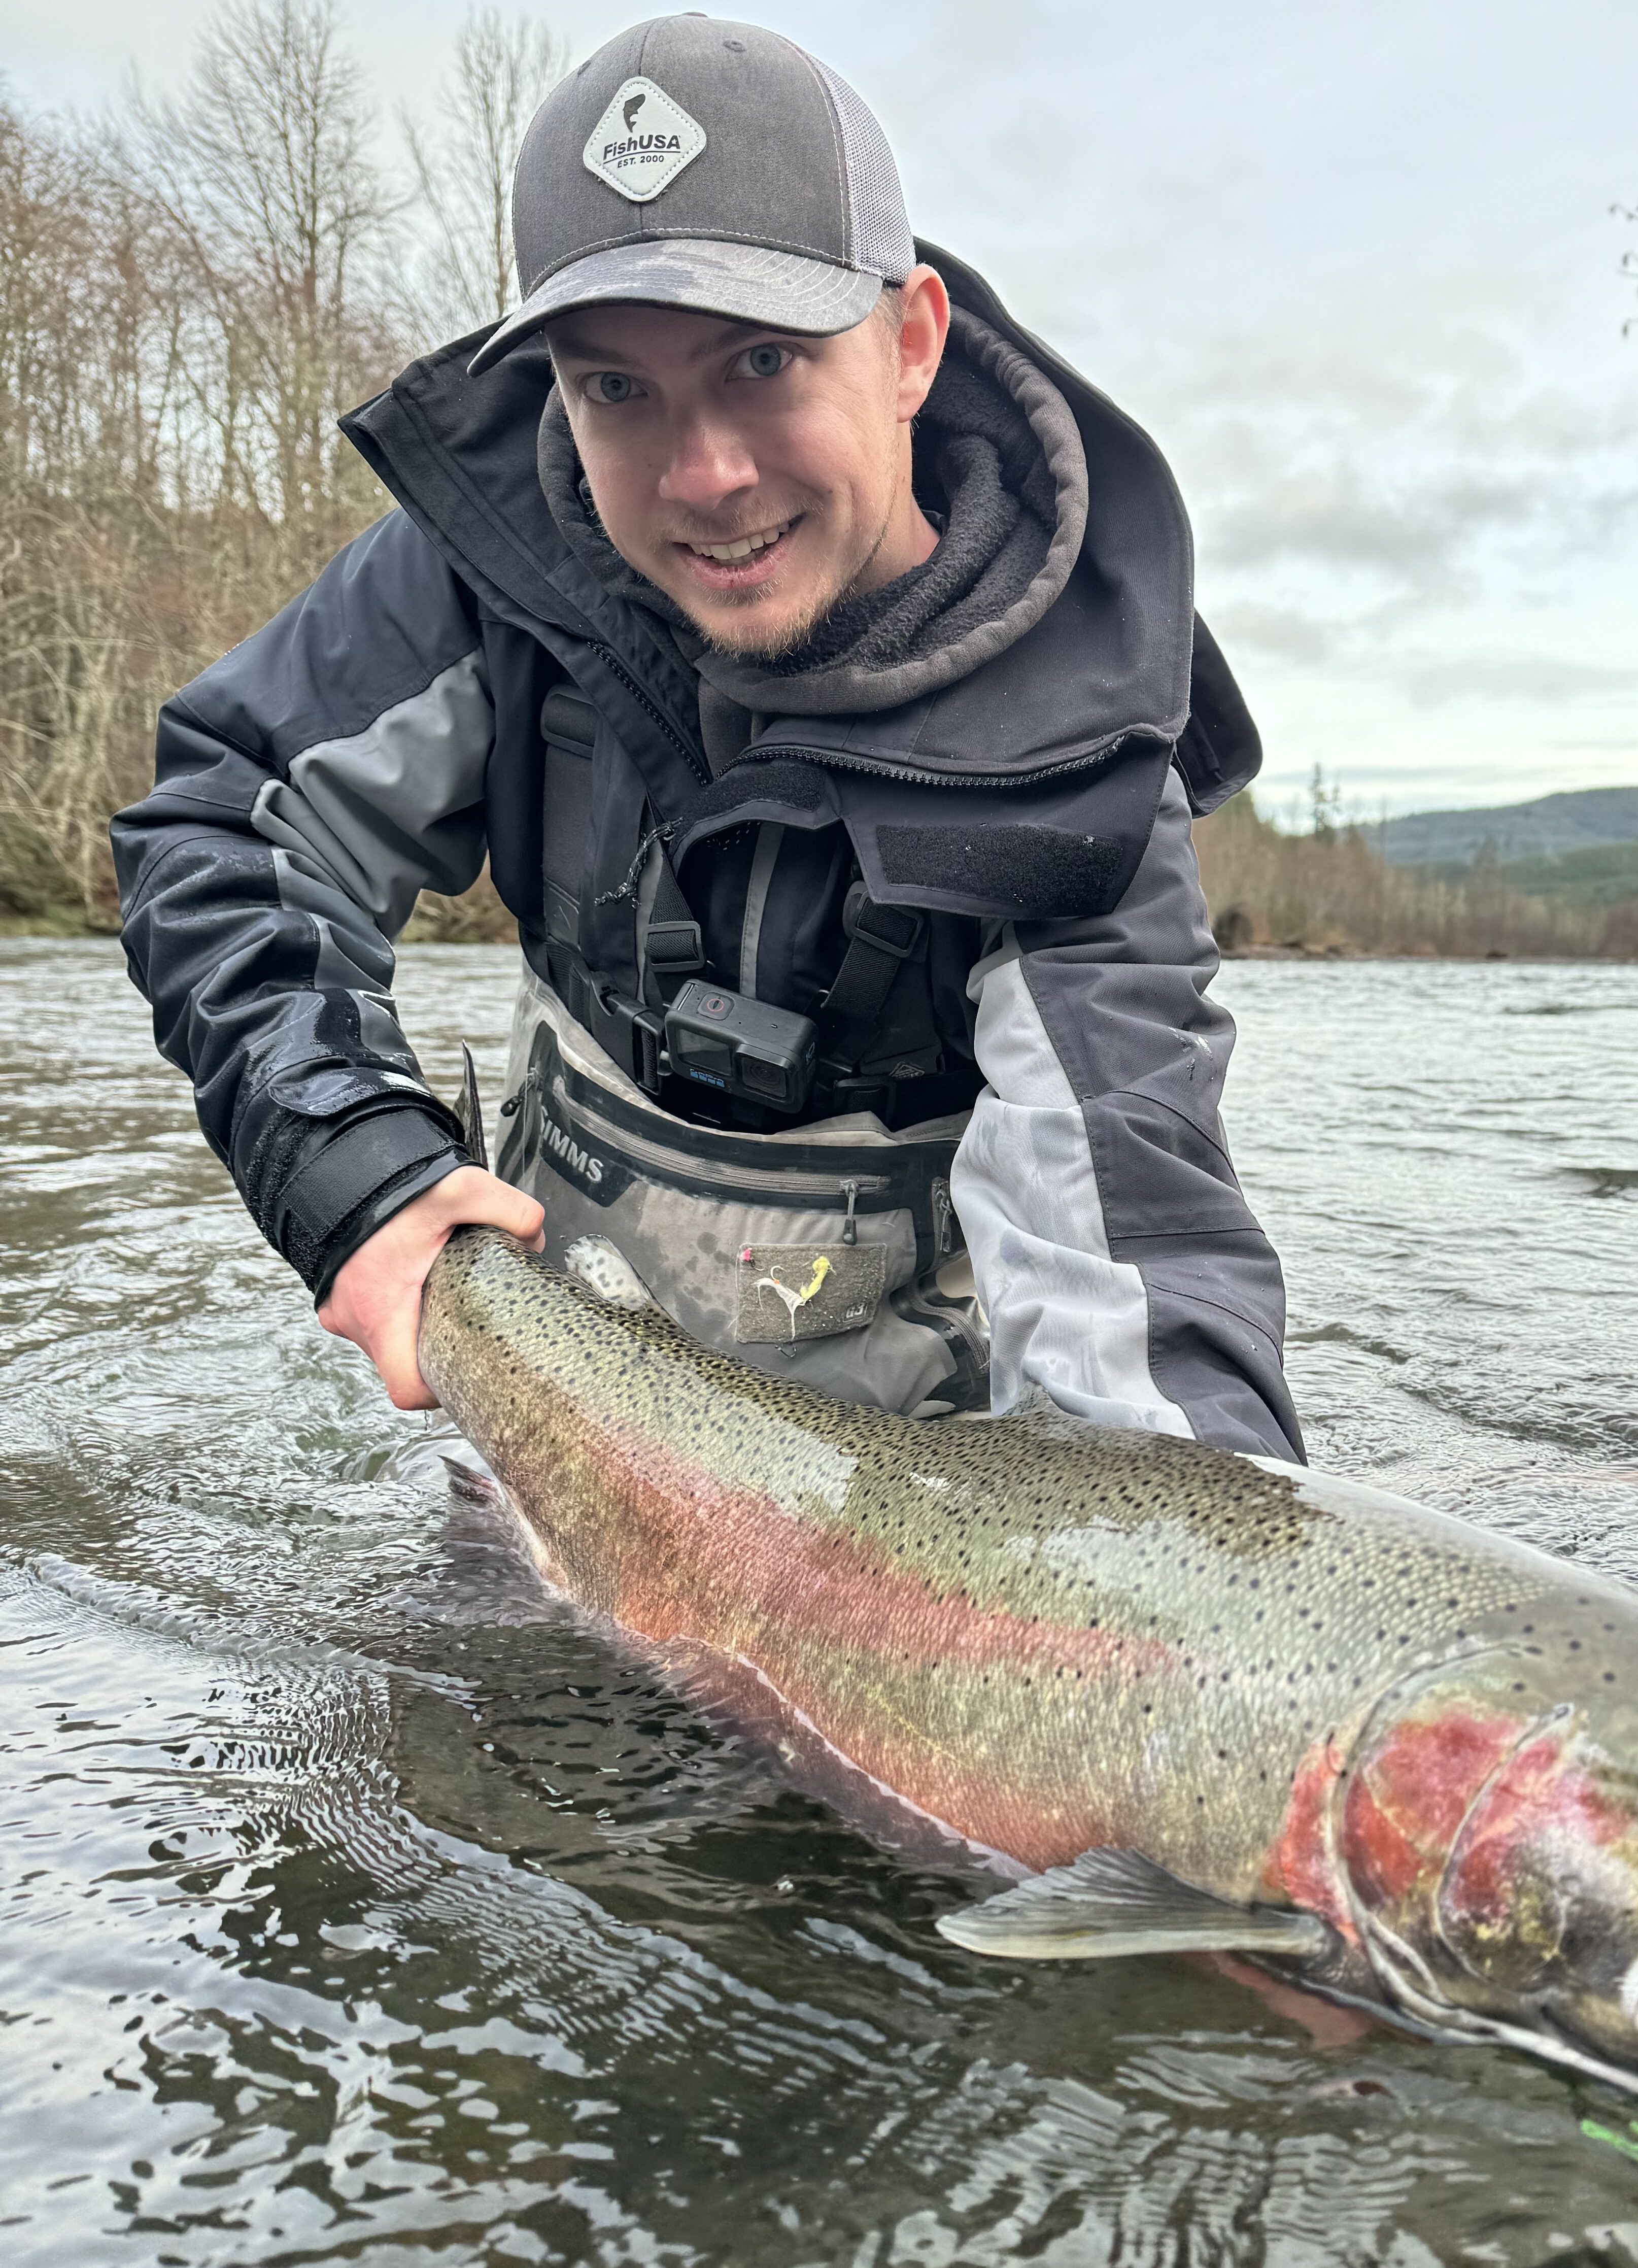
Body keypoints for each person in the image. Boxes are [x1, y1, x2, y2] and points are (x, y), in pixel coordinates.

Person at [112, 13, 1303, 1463]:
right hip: (546, 1417)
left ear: (910, 342)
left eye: (762, 363)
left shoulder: (1083, 764)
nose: (706, 477)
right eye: (617, 387)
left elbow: (1138, 1275)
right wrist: (353, 1171)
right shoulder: (494, 575)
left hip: (893, 1497)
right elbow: (225, 824)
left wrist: (1194, 1575)